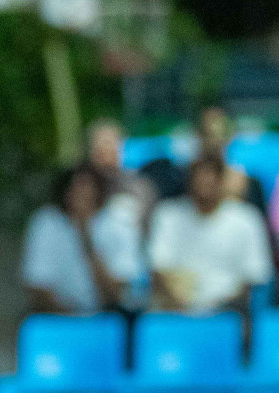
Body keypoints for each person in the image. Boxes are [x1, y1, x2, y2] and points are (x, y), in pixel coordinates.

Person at [148, 154, 272, 315]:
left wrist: (218, 309)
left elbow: (254, 278)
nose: (205, 184)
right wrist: (182, 306)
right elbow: (158, 268)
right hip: (175, 312)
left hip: (230, 314)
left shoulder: (247, 219)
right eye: (199, 177)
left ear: (222, 181)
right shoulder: (167, 215)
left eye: (212, 177)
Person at [20, 165, 143, 314]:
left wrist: (85, 233)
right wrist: (73, 317)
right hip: (59, 321)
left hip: (106, 322)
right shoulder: (47, 222)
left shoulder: (118, 223)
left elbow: (116, 295)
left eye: (86, 189)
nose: (79, 196)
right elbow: (37, 287)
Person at [84, 118, 155, 233]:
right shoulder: (79, 192)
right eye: (101, 153)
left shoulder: (139, 188)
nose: (107, 159)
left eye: (111, 152)